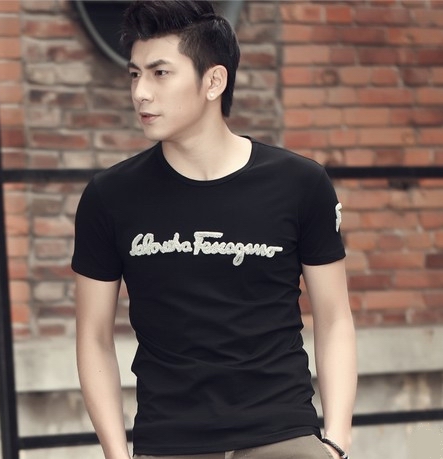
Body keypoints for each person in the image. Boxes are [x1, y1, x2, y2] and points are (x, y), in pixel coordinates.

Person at [72, 1, 357, 458]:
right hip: (170, 442)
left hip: (282, 435)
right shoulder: (111, 196)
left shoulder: (300, 184)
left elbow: (335, 317)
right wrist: (117, 454)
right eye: (134, 74)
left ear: (213, 81)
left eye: (160, 73)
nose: (140, 92)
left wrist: (336, 443)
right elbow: (92, 336)